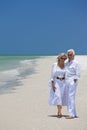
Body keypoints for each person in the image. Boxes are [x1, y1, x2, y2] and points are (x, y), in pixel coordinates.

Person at [48, 53, 67, 118]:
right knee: (58, 96)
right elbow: (52, 76)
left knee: (61, 97)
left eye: (65, 58)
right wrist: (52, 84)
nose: (63, 59)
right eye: (62, 58)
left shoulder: (66, 65)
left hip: (63, 83)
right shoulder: (54, 65)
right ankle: (59, 112)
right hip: (56, 82)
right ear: (59, 58)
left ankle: (59, 111)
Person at [65, 49, 80, 119]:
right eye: (68, 54)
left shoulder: (76, 63)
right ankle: (74, 113)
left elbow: (78, 74)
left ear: (73, 55)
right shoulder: (67, 62)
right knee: (69, 98)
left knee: (71, 97)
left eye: (70, 55)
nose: (69, 56)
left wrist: (74, 81)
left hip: (72, 82)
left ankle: (71, 114)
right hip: (67, 81)